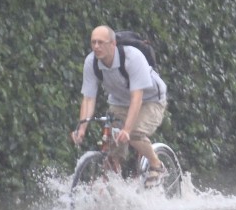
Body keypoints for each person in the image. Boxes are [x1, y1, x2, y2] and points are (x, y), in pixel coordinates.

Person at [71, 25, 168, 186]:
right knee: (111, 144)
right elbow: (88, 99)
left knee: (135, 134)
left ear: (113, 44)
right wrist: (81, 128)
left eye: (101, 42)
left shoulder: (132, 57)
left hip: (150, 100)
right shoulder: (91, 62)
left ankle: (156, 165)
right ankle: (115, 184)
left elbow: (137, 97)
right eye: (93, 42)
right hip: (119, 102)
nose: (96, 46)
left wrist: (127, 129)